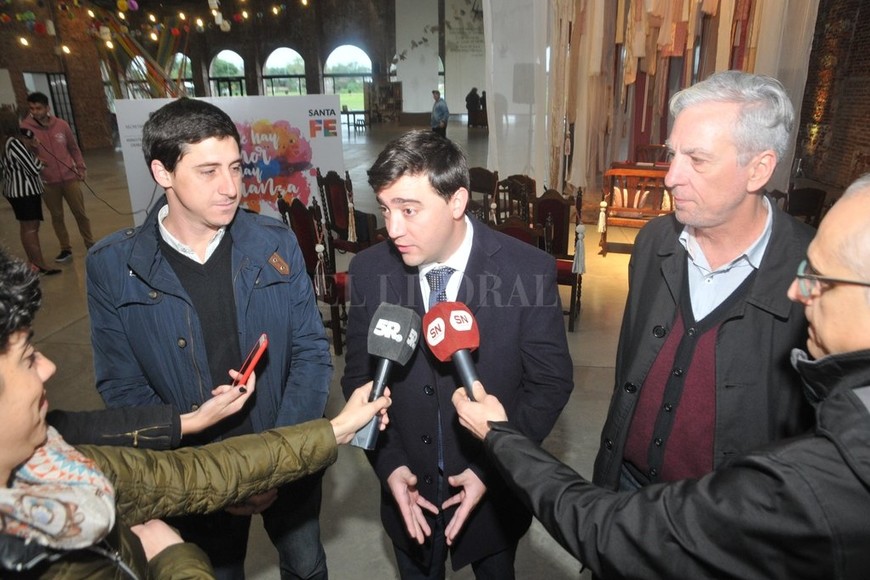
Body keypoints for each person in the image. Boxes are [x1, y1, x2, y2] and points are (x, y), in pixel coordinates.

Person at [453, 174, 870, 579]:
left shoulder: (825, 474)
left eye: (817, 276)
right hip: (628, 478)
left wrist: (499, 435)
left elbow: (606, 529)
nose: (797, 291)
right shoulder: (656, 241)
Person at [0, 246, 393, 578]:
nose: (49, 368)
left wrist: (336, 428)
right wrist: (173, 557)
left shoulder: (58, 459)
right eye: (27, 358)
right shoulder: (29, 552)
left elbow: (196, 474)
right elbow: (123, 390)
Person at [85, 97, 333, 579]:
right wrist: (210, 470)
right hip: (194, 475)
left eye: (236, 168)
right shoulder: (112, 267)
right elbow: (122, 386)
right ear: (163, 172)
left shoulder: (274, 242)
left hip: (287, 455)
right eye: (208, 171)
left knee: (306, 567)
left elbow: (311, 354)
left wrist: (276, 464)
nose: (231, 188)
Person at [341, 130, 574, 579]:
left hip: (494, 496)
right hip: (407, 494)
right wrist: (387, 466)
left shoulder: (528, 270)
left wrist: (493, 466)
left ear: (456, 201)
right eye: (386, 209)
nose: (393, 228)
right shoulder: (370, 271)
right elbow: (359, 380)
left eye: (409, 210)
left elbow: (550, 384)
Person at [593, 70, 816, 492]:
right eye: (673, 154)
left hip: (726, 524)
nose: (671, 176)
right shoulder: (655, 241)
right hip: (627, 490)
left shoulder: (813, 272)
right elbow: (629, 366)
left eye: (697, 160)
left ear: (758, 170)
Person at [21, 92, 94, 263]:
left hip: (70, 178)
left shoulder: (62, 125)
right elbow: (23, 154)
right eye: (32, 108)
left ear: (47, 108)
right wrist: (33, 155)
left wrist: (80, 167)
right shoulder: (25, 128)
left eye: (38, 108)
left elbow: (73, 148)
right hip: (48, 182)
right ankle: (65, 248)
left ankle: (90, 243)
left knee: (80, 213)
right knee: (57, 216)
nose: (35, 111)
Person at [0, 109, 60, 276]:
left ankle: (33, 262)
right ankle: (39, 264)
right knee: (31, 228)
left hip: (14, 190)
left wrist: (33, 158)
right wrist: (40, 163)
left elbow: (18, 163)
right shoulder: (14, 142)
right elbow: (32, 169)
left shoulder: (4, 142)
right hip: (25, 191)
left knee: (26, 227)